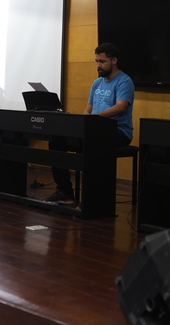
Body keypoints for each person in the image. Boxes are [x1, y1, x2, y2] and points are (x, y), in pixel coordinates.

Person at [45, 43, 134, 204]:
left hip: (119, 131)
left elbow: (121, 107)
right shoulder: (97, 83)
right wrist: (82, 125)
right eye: (96, 61)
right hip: (95, 129)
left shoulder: (124, 81)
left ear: (114, 61)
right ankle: (65, 192)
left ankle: (95, 199)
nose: (98, 65)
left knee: (92, 142)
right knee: (57, 142)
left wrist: (94, 118)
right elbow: (88, 110)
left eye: (102, 61)